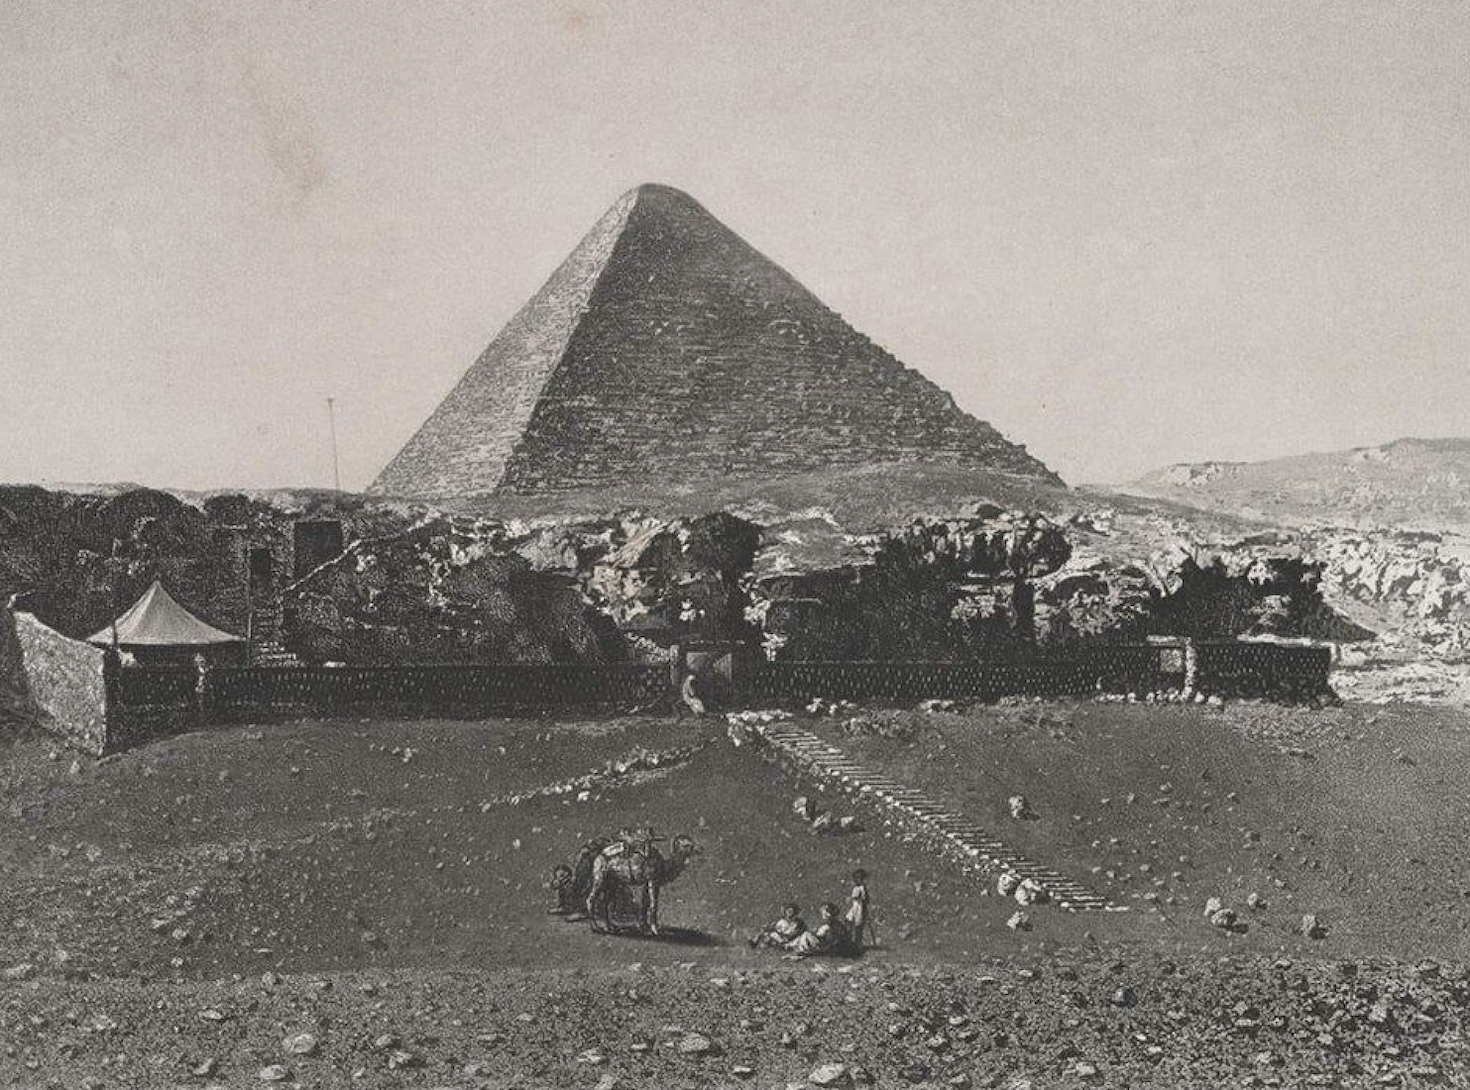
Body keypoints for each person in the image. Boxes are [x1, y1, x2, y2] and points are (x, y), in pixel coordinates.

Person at [845, 869, 871, 949]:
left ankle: (857, 942)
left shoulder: (863, 888)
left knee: (858, 925)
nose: (855, 880)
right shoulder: (856, 887)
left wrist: (857, 898)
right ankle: (848, 940)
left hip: (860, 908)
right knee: (848, 921)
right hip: (854, 907)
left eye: (858, 878)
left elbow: (866, 899)